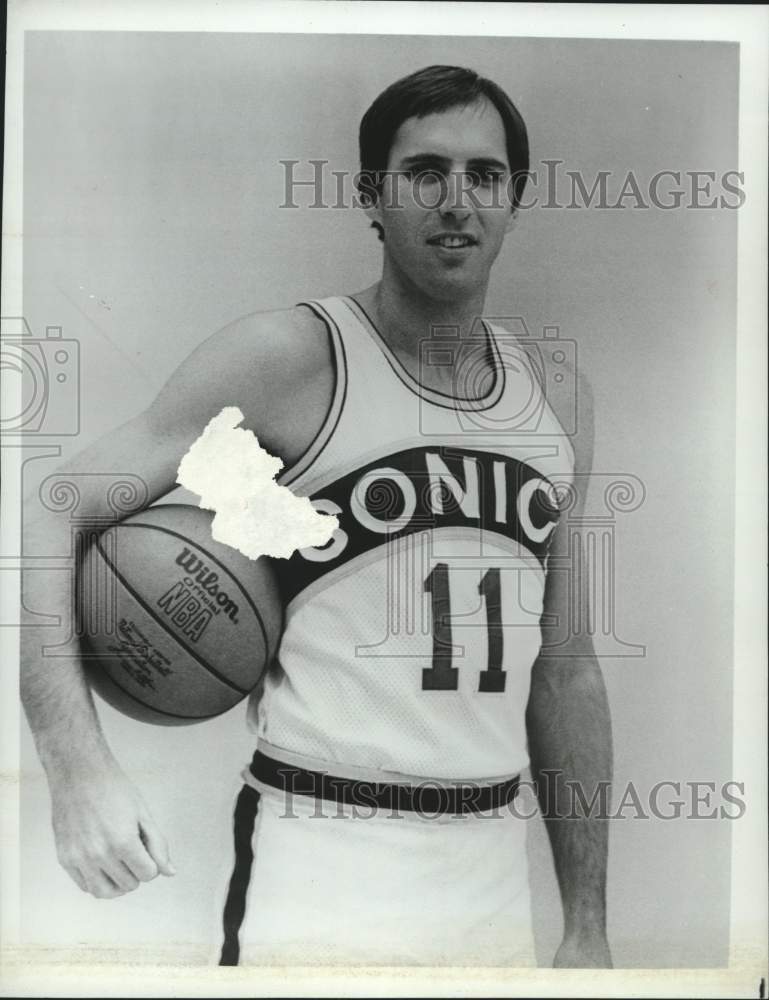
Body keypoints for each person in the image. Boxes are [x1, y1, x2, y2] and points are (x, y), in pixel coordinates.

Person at [21, 65, 613, 968]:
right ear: (370, 195)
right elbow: (47, 506)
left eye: (484, 176)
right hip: (322, 847)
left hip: (494, 866)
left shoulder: (555, 393)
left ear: (514, 199)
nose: (456, 200)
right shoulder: (291, 358)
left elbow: (565, 671)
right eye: (423, 172)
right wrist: (76, 769)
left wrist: (587, 926)